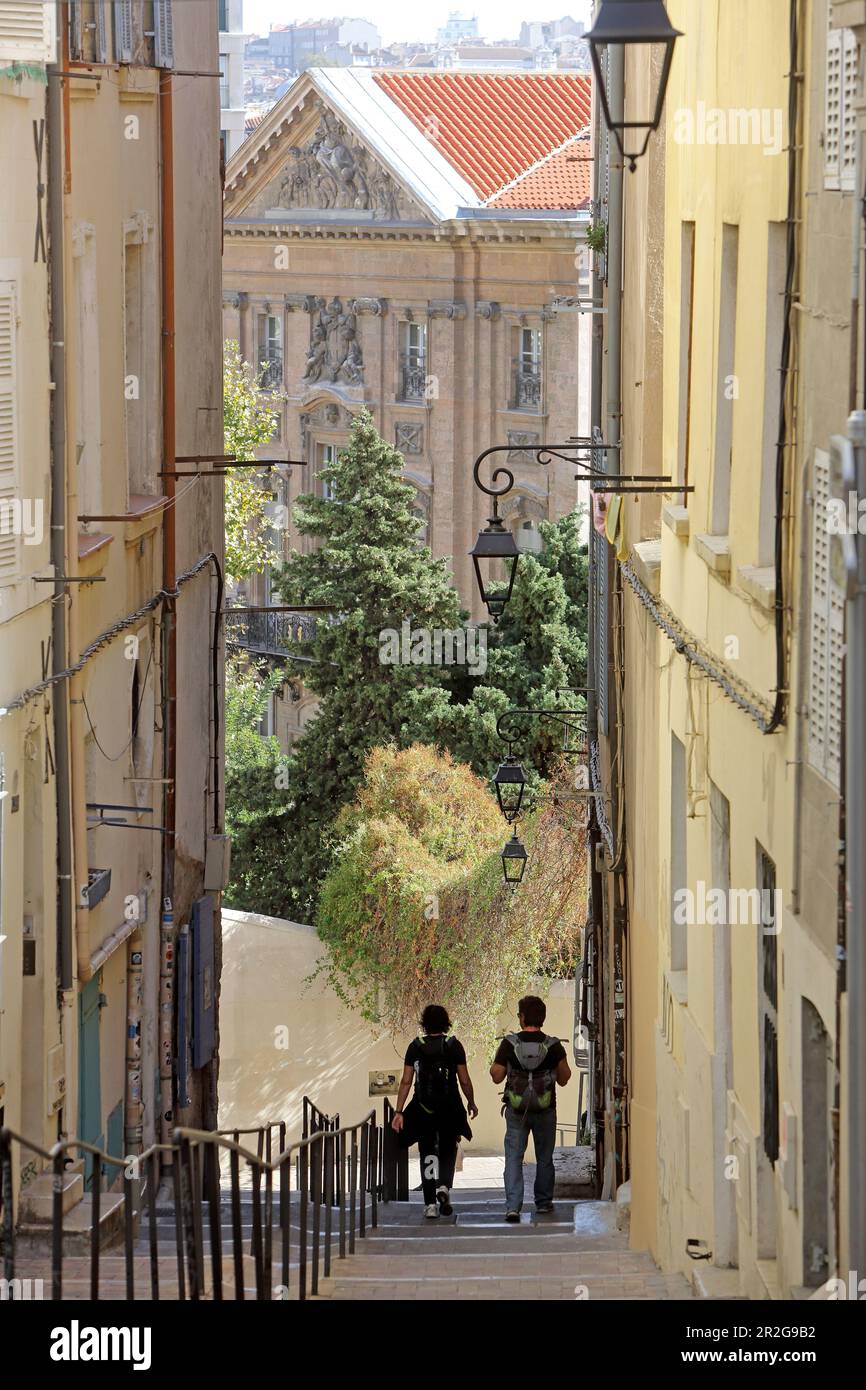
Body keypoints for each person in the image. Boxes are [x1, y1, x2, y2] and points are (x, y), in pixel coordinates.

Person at [391, 1005, 478, 1219]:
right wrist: (471, 1101)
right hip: (450, 1108)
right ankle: (444, 1187)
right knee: (449, 1148)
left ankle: (430, 1204)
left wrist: (399, 1111)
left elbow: (406, 1081)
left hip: (423, 1109)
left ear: (424, 1023)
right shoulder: (454, 1046)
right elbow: (464, 1080)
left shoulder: (415, 1047)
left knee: (427, 1152)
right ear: (446, 1023)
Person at [490, 995, 571, 1221]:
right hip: (546, 1110)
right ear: (543, 1018)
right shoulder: (553, 1046)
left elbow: (496, 1076)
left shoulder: (509, 1044)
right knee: (545, 1157)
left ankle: (513, 1206)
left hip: (516, 1111)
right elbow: (565, 1078)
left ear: (522, 1017)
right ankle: (543, 1203)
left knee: (513, 1157)